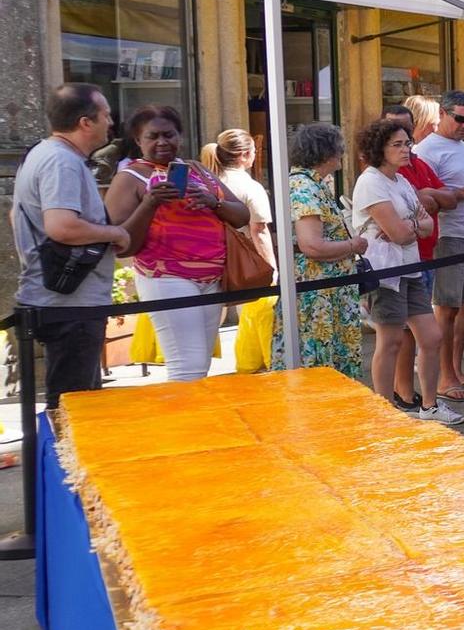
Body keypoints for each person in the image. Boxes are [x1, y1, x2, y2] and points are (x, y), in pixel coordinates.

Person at [104, 106, 251, 383]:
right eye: (153, 136)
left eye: (169, 135)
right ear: (138, 141)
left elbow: (241, 215)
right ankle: (185, 424)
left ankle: (194, 422)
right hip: (167, 277)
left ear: (179, 137)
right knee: (188, 367)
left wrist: (213, 201)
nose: (162, 142)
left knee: (201, 363)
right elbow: (121, 242)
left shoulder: (197, 170)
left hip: (212, 278)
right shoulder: (130, 177)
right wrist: (150, 203)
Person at [9, 84, 130, 403]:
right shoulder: (60, 161)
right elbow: (61, 227)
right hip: (69, 305)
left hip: (63, 300)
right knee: (75, 407)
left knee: (76, 402)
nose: (111, 123)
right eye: (105, 115)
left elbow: (15, 216)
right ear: (85, 122)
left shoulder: (43, 153)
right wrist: (115, 234)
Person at [350, 118, 460, 424]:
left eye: (407, 143)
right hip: (386, 271)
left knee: (431, 336)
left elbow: (424, 223)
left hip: (410, 267)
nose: (405, 149)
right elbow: (400, 232)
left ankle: (429, 405)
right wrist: (411, 226)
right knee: (391, 341)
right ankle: (384, 411)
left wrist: (409, 225)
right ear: (379, 149)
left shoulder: (402, 181)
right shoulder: (371, 181)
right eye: (397, 145)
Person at [414, 90, 464, 402]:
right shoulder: (427, 149)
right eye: (459, 119)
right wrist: (462, 193)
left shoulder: (463, 146)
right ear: (443, 115)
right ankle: (444, 376)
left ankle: (456, 370)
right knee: (446, 308)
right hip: (451, 235)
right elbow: (427, 196)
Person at [271, 122, 368, 382]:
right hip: (317, 294)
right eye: (339, 148)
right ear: (327, 152)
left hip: (327, 291)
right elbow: (311, 245)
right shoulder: (304, 187)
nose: (342, 154)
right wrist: (353, 246)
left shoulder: (314, 184)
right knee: (316, 364)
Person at [199, 128, 272, 266]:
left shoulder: (205, 184)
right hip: (240, 262)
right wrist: (271, 267)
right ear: (245, 154)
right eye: (254, 151)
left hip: (207, 259)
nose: (255, 155)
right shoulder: (251, 187)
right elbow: (259, 231)